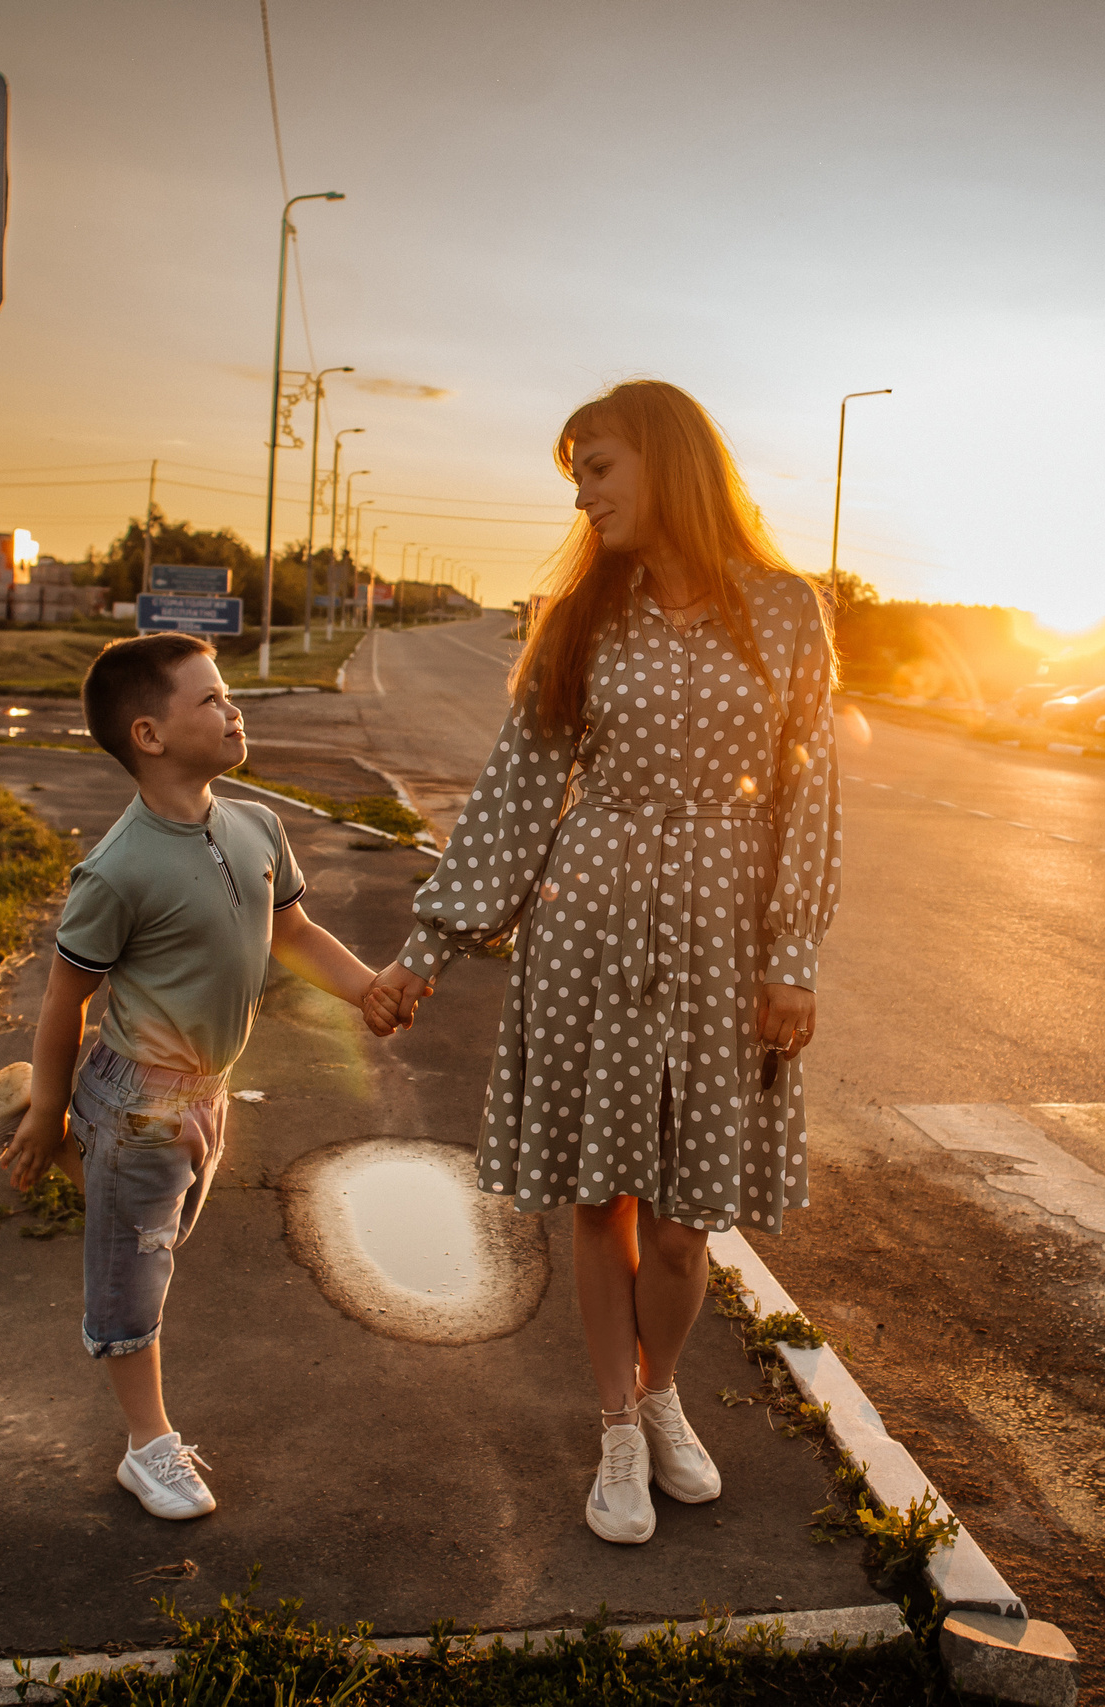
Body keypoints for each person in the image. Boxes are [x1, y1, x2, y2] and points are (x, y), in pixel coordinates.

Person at [367, 380, 840, 1546]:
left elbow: (810, 795)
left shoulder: (786, 612)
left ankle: (665, 1390)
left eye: (598, 469)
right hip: (589, 929)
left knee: (685, 1221)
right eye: (575, 475)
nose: (582, 496)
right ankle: (616, 1423)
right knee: (603, 1196)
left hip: (722, 942)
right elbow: (518, 795)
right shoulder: (579, 614)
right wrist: (430, 945)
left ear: (668, 466)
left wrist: (792, 957)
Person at [0, 631, 402, 1521]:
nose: (233, 709)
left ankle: (54, 1131)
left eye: (228, 695)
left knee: (159, 1239)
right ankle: (148, 1448)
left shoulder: (256, 824)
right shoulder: (115, 869)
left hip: (207, 1094)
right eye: (211, 699)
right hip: (139, 1095)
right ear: (149, 735)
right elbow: (66, 998)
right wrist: (48, 1105)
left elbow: (290, 933)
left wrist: (365, 987)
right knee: (134, 1281)